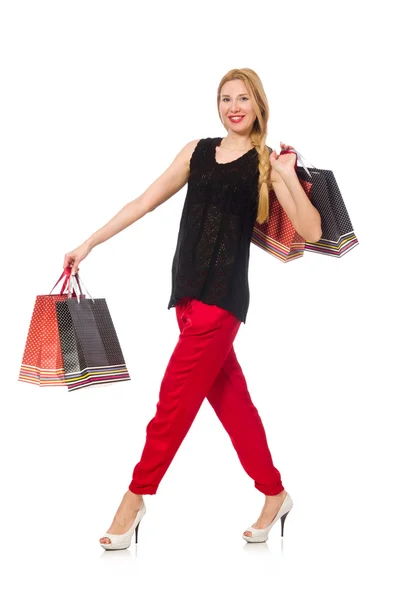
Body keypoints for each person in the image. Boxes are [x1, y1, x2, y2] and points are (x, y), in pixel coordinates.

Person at [64, 68, 322, 549]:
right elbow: (144, 201)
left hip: (220, 303)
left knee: (171, 406)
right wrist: (90, 243)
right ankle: (274, 493)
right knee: (234, 405)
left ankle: (135, 498)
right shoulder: (197, 151)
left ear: (259, 104)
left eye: (243, 98)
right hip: (184, 296)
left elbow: (312, 232)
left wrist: (287, 175)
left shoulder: (268, 163)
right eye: (225, 98)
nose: (234, 106)